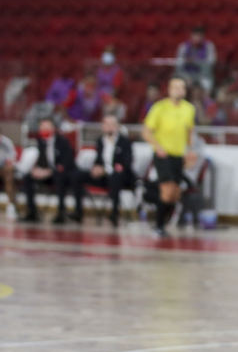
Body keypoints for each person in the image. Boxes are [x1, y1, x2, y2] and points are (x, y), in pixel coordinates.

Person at [142, 77, 196, 237]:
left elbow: (189, 131)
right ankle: (158, 226)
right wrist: (157, 147)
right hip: (163, 154)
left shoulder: (189, 109)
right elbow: (146, 131)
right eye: (176, 87)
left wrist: (190, 150)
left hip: (178, 155)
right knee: (167, 190)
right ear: (169, 89)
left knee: (175, 193)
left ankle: (161, 223)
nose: (179, 90)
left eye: (182, 87)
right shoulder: (159, 107)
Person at [76, 114, 134, 227]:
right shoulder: (100, 141)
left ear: (117, 126)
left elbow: (126, 164)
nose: (109, 127)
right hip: (103, 177)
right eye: (106, 124)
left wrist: (107, 170)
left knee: (116, 176)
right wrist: (96, 168)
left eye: (112, 124)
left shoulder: (125, 142)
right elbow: (98, 160)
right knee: (77, 175)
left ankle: (114, 213)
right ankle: (78, 212)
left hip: (120, 177)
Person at [21, 118, 79, 224]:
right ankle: (32, 212)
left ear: (53, 128)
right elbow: (36, 160)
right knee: (28, 177)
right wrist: (35, 169)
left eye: (47, 127)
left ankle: (61, 212)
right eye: (42, 127)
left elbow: (67, 163)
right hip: (45, 174)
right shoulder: (38, 142)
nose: (44, 130)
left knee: (59, 177)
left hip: (61, 174)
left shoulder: (63, 141)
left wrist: (51, 171)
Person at [175, 27, 217, 93]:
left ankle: (206, 100)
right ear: (191, 36)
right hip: (187, 74)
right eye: (196, 35)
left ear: (203, 37)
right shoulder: (183, 46)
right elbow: (178, 64)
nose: (198, 38)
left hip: (202, 74)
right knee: (181, 82)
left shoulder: (209, 46)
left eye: (200, 36)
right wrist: (186, 76)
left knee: (206, 83)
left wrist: (195, 61)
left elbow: (211, 62)